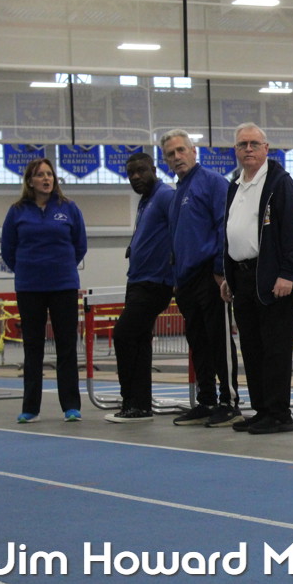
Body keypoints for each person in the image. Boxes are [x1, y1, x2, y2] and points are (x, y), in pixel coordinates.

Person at [221, 123, 293, 434]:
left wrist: (288, 273)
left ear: (266, 148)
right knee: (252, 349)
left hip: (272, 279)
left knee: (275, 350)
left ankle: (279, 414)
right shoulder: (235, 186)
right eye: (242, 144)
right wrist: (229, 276)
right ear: (235, 150)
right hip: (242, 278)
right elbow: (230, 233)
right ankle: (261, 410)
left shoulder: (279, 184)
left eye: (254, 144)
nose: (248, 149)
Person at [162, 129, 241, 427]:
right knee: (198, 343)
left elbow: (225, 226)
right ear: (166, 161)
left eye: (181, 150)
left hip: (210, 276)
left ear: (194, 152)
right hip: (186, 281)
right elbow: (176, 240)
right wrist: (176, 278)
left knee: (219, 341)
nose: (177, 157)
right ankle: (206, 400)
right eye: (171, 154)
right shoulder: (177, 194)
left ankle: (229, 402)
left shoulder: (212, 183)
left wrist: (220, 270)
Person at [0, 158, 87, 423]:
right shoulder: (16, 211)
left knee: (66, 346)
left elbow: (80, 245)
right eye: (40, 175)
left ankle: (71, 406)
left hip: (64, 286)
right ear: (30, 181)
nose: (46, 179)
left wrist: (61, 267)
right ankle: (30, 408)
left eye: (49, 174)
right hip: (29, 287)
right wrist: (28, 270)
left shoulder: (69, 208)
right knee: (33, 347)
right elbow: (8, 250)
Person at [106, 153, 175, 422]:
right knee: (140, 341)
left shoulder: (165, 196)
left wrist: (175, 272)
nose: (135, 177)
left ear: (153, 169)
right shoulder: (146, 201)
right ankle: (141, 405)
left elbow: (180, 231)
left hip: (154, 282)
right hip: (137, 279)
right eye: (130, 173)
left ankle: (132, 402)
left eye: (141, 171)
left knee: (123, 335)